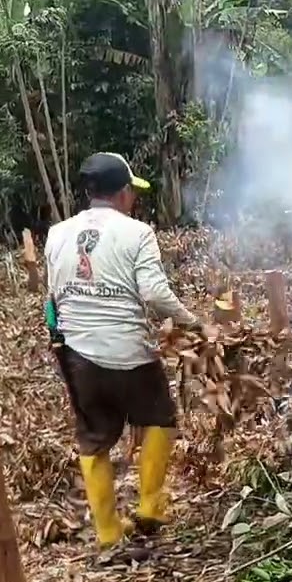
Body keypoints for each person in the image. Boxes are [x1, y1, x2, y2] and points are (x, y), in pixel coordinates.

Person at [43, 152, 216, 549]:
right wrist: (192, 321)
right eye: (132, 193)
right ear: (123, 193)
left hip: (78, 354)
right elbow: (154, 293)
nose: (133, 199)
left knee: (94, 439)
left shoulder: (56, 234)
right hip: (129, 352)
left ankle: (107, 532)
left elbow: (53, 297)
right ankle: (151, 506)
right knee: (160, 419)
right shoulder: (137, 233)